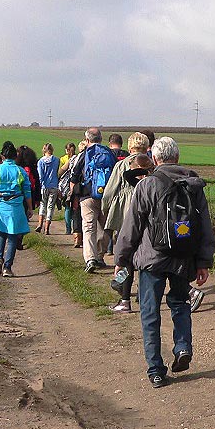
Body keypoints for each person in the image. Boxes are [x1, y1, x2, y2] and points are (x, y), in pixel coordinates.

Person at [113, 137, 214, 388]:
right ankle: (183, 348)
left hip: (152, 259)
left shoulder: (146, 185)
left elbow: (132, 226)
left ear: (155, 159)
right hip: (184, 257)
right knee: (180, 303)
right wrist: (203, 261)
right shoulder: (194, 184)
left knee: (150, 313)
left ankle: (156, 370)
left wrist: (121, 259)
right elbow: (204, 226)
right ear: (177, 157)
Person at [102, 142, 152, 313]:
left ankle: (124, 299)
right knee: (143, 263)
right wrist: (148, 169)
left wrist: (138, 168)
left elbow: (126, 175)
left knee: (127, 262)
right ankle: (139, 294)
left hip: (133, 224)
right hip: (149, 230)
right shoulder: (152, 183)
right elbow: (129, 174)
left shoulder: (139, 185)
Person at [70, 127, 116, 273]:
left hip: (87, 196)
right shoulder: (109, 153)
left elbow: (74, 177)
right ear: (101, 139)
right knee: (105, 227)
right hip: (106, 196)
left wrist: (74, 195)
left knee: (89, 227)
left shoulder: (83, 155)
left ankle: (90, 259)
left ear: (87, 139)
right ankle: (100, 256)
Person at [0, 141, 33, 277]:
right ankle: (7, 267)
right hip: (15, 207)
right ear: (15, 156)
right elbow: (27, 191)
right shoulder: (20, 171)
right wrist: (30, 208)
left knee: (2, 233)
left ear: (3, 156)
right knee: (12, 236)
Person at [36, 143, 59, 235]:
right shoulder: (56, 160)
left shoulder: (40, 161)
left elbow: (40, 176)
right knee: (50, 206)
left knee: (42, 204)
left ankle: (40, 224)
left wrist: (40, 185)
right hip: (54, 185)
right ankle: (47, 228)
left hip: (44, 186)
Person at [58, 142, 77, 234]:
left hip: (67, 185)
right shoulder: (78, 157)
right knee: (75, 207)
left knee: (67, 207)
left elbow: (61, 171)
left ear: (67, 150)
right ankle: (75, 227)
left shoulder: (65, 159)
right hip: (77, 184)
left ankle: (68, 228)